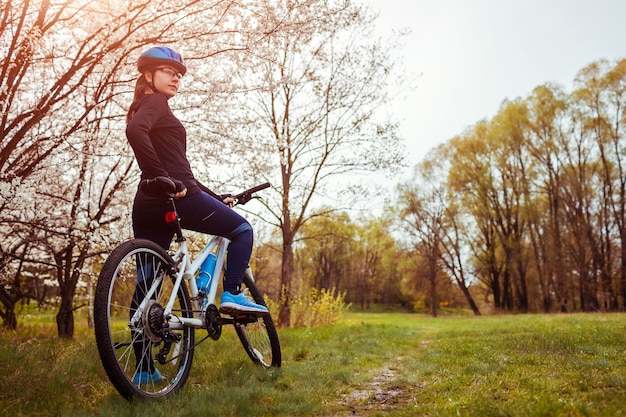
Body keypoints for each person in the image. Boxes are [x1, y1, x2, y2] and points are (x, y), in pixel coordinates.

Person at [125, 46, 268, 383]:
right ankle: (231, 292)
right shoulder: (156, 103)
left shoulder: (144, 105)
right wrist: (162, 177)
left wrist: (217, 196)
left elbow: (181, 170)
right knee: (242, 231)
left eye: (179, 73)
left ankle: (144, 371)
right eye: (167, 70)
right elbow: (138, 137)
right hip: (174, 197)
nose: (175, 76)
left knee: (147, 286)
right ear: (148, 75)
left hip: (147, 201)